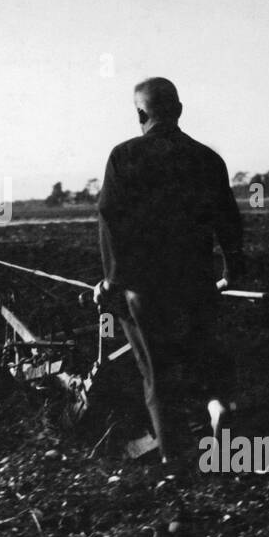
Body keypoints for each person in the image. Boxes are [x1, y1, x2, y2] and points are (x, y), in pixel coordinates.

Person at [95, 77, 245, 465]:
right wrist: (232, 269)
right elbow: (228, 221)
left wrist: (112, 281)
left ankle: (175, 462)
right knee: (202, 356)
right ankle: (217, 407)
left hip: (144, 290)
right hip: (197, 282)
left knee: (157, 375)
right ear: (178, 110)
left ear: (140, 114)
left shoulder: (123, 157)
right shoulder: (208, 159)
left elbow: (111, 220)